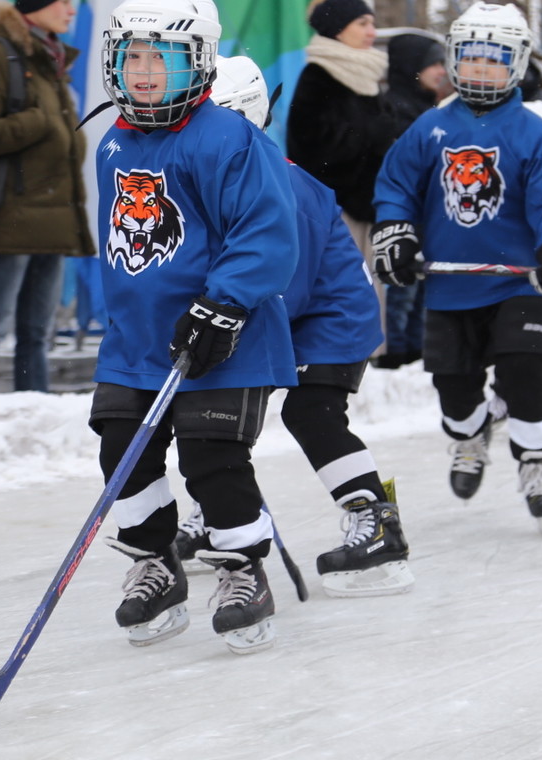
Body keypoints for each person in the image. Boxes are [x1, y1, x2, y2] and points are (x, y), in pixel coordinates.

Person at [89, 0, 299, 655]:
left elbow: (266, 231)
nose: (143, 73)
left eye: (162, 59)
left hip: (223, 338)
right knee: (121, 453)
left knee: (211, 460)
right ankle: (154, 565)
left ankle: (242, 571)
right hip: (136, 342)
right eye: (133, 58)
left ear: (199, 62)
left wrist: (223, 305)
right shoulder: (113, 146)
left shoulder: (230, 139)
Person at [174, 56, 412, 598]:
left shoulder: (281, 184)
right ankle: (216, 509)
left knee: (309, 409)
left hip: (330, 318)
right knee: (217, 413)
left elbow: (286, 284)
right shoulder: (208, 178)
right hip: (280, 312)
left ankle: (377, 522)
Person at [372, 2, 542, 526]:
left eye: (495, 61)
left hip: (521, 284)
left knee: (524, 370)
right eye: (472, 59)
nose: (482, 70)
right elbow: (397, 187)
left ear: (516, 65)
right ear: (454, 61)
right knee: (453, 384)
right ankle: (469, 438)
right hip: (452, 286)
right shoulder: (429, 128)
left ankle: (535, 461)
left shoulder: (534, 133)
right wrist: (397, 234)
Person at [0, 0, 94, 395]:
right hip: (11, 216)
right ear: (36, 2)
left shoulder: (49, 54)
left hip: (52, 213)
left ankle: (30, 413)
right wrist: (38, 121)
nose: (70, 9)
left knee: (37, 334)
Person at [286, 0, 401, 264]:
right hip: (337, 211)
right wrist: (372, 134)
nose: (371, 32)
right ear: (338, 28)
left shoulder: (367, 76)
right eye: (362, 23)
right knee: (348, 294)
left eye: (372, 24)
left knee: (371, 298)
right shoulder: (318, 76)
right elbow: (309, 151)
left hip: (370, 208)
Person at [376, 34, 448, 369]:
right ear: (412, 68)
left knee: (420, 291)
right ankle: (395, 356)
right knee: (400, 293)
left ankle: (415, 353)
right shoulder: (395, 107)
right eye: (432, 63)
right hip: (405, 215)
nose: (440, 70)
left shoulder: (427, 107)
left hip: (429, 215)